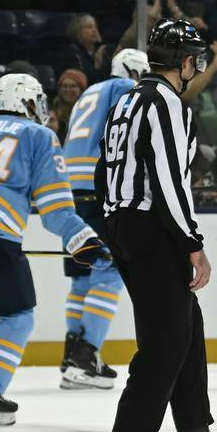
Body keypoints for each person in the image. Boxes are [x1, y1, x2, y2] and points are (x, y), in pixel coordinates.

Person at [0, 72, 107, 428]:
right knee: (19, 316)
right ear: (27, 101)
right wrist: (84, 240)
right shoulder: (40, 135)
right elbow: (56, 209)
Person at [97, 19, 217, 432]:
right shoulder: (166, 103)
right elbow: (170, 179)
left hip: (126, 223)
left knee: (185, 324)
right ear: (187, 61)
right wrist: (192, 242)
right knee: (168, 338)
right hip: (153, 228)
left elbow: (103, 169)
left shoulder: (128, 98)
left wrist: (113, 226)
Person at [55, 47, 153, 391]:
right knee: (111, 271)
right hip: (100, 189)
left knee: (83, 276)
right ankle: (86, 355)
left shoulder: (88, 93)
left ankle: (73, 356)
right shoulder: (124, 88)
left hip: (71, 191)